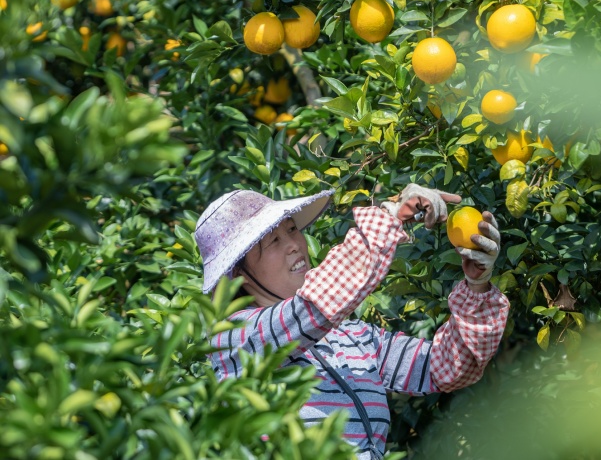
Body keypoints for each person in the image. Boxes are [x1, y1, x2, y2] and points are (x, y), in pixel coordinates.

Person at [195, 183, 510, 459]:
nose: (293, 244)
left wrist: (477, 285)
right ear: (241, 276)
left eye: (291, 229)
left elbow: (445, 367)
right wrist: (390, 217)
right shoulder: (235, 338)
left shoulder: (351, 336)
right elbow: (316, 304)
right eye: (273, 242)